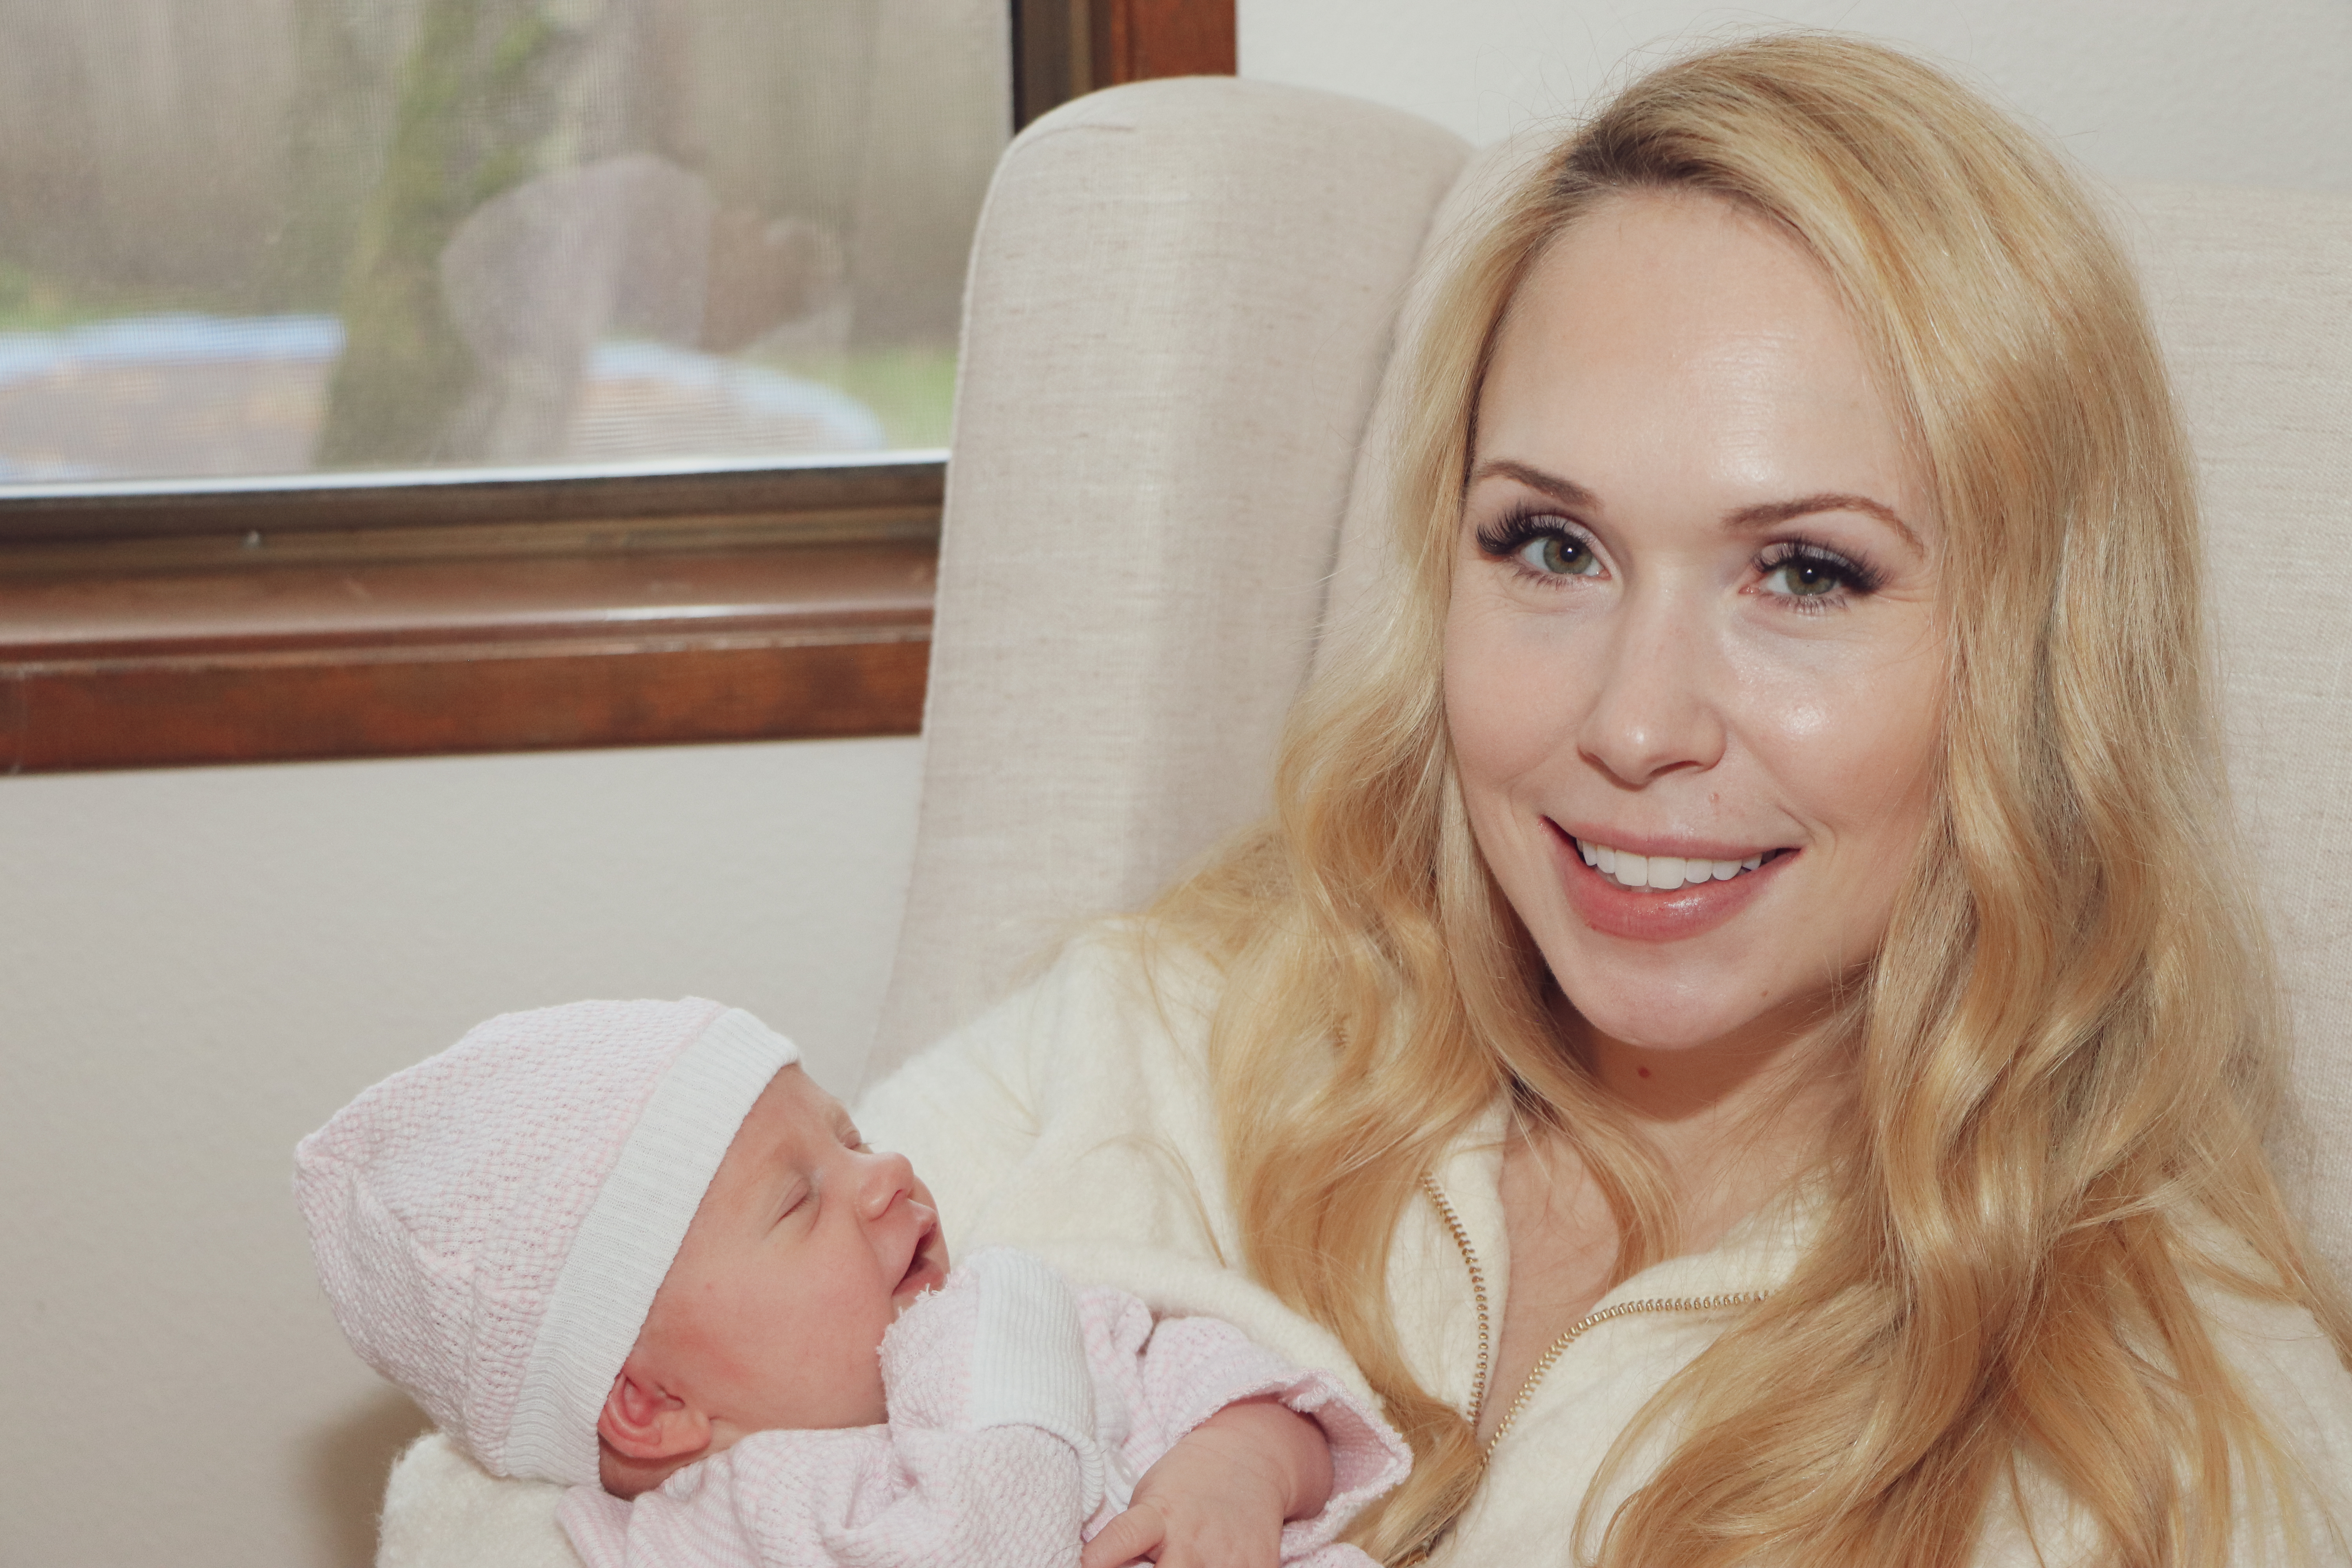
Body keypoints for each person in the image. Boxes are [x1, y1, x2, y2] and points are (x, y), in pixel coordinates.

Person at [377, 33, 2352, 1568]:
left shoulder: (2176, 1437)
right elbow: (502, 1479)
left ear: (2031, 651)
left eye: (1807, 572)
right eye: (1553, 548)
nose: (1635, 723)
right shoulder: (1173, 1032)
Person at [296, 998, 1409, 1568]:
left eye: (851, 1137)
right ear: (654, 1407)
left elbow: (1260, 1389)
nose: (885, 1176)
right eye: (798, 1200)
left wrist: (1236, 1469)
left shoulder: (1041, 1317)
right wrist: (1002, 1380)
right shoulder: (732, 1528)